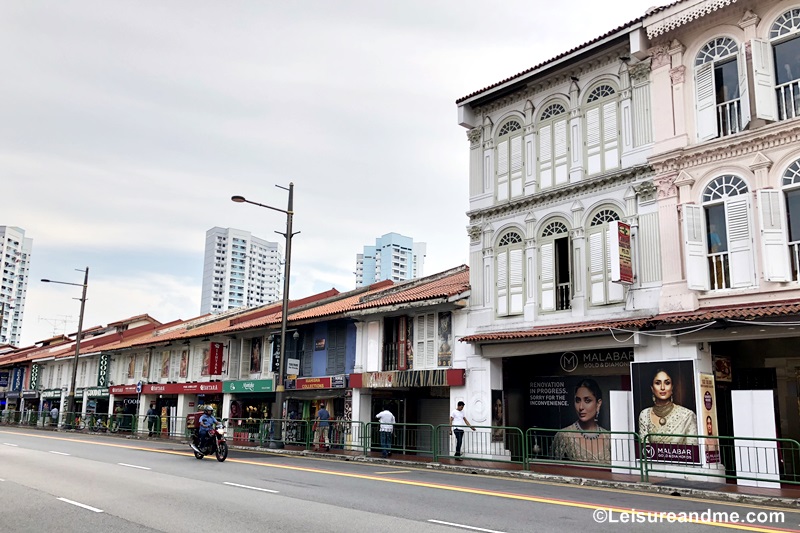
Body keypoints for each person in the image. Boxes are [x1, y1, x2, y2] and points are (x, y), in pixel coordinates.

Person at [552, 379, 611, 464]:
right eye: (578, 400)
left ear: (598, 404)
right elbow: (553, 469)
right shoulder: (564, 436)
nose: (581, 407)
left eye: (587, 401)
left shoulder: (609, 438)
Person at [638, 368, 698, 446]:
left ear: (672, 387)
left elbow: (692, 451)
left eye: (667, 383)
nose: (662, 387)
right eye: (658, 383)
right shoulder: (645, 414)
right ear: (652, 388)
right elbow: (644, 450)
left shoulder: (687, 416)